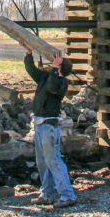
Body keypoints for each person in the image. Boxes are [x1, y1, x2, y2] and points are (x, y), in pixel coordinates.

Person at [21, 44, 77, 208]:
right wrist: (28, 53)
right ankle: (48, 193)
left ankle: (67, 195)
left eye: (54, 64)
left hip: (48, 126)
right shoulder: (46, 78)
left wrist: (54, 68)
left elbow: (53, 87)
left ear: (59, 68)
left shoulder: (61, 83)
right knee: (42, 162)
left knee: (54, 160)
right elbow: (31, 71)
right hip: (39, 125)